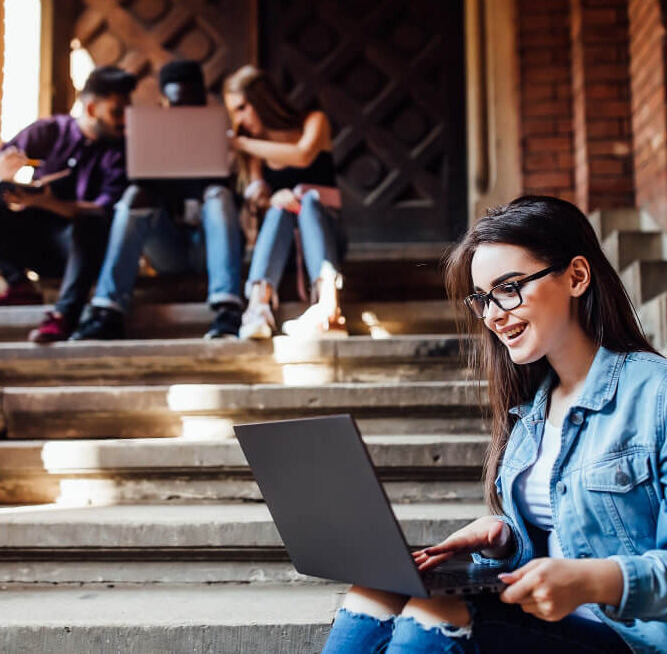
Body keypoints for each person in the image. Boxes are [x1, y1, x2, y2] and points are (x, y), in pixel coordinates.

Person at [322, 196, 666, 653]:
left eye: (509, 288)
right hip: (554, 622)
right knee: (375, 589)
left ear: (577, 277)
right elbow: (565, 531)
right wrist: (506, 536)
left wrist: (593, 580)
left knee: (437, 610)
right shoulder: (531, 411)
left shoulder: (655, 393)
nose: (492, 315)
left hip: (633, 635)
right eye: (482, 299)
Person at [71, 60, 243, 341]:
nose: (183, 115)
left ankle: (228, 310)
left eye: (191, 107)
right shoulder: (144, 138)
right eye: (177, 106)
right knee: (134, 195)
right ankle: (108, 311)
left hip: (209, 247)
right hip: (169, 249)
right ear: (164, 103)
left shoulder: (227, 138)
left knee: (219, 195)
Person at [0, 65, 136, 342]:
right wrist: (6, 174)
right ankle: (18, 284)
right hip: (32, 241)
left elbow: (104, 210)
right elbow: (6, 159)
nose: (125, 122)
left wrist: (50, 202)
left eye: (128, 113)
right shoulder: (49, 131)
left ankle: (64, 315)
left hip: (83, 251)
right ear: (90, 110)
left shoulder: (123, 153)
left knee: (89, 222)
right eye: (117, 112)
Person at [223, 65, 346, 340]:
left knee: (309, 202)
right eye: (234, 112)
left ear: (262, 101)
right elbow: (261, 199)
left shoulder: (314, 122)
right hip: (283, 248)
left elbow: (302, 156)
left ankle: (329, 308)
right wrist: (273, 197)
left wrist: (240, 144)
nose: (239, 119)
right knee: (281, 208)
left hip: (325, 239)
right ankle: (258, 306)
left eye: (242, 107)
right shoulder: (256, 149)